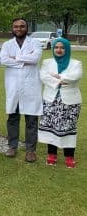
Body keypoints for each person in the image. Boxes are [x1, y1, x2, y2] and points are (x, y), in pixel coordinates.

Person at [0, 18, 43, 162]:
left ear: (27, 28)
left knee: (31, 119)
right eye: (16, 26)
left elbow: (35, 58)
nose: (19, 29)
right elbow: (4, 60)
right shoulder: (7, 44)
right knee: (13, 117)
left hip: (31, 86)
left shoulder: (35, 42)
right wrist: (24, 60)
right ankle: (12, 146)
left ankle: (31, 150)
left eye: (22, 26)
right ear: (12, 28)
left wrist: (16, 58)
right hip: (13, 85)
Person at [38, 38, 82, 168]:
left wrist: (57, 76)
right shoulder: (47, 62)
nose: (59, 50)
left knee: (68, 126)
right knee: (51, 127)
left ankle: (69, 156)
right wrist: (61, 81)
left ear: (67, 49)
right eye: (56, 47)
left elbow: (76, 76)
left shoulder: (76, 63)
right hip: (50, 100)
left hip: (70, 102)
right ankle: (52, 154)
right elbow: (43, 76)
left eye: (62, 47)